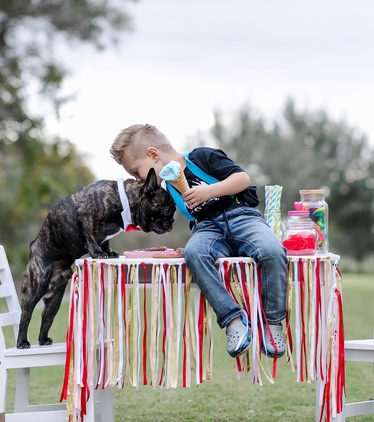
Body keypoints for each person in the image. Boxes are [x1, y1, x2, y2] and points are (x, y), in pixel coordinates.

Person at [110, 123, 287, 359]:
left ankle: (272, 322)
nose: (138, 179)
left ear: (153, 154)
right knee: (194, 253)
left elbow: (242, 179)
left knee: (272, 250)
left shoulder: (202, 157)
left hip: (242, 217)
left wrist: (210, 191)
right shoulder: (167, 187)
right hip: (207, 228)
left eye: (135, 171)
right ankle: (233, 319)